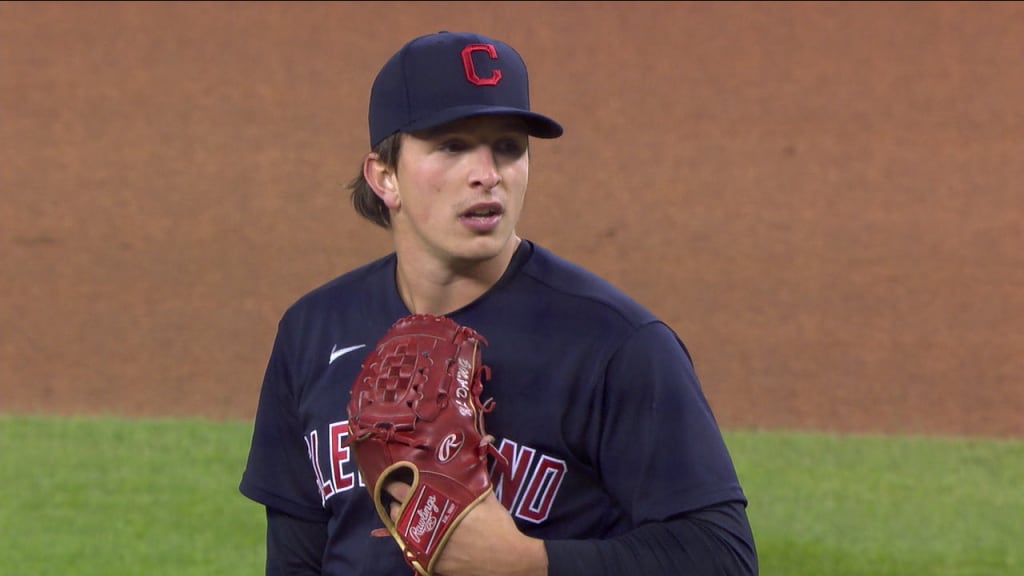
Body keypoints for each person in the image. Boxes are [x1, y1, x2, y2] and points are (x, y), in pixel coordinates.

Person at [239, 30, 758, 576]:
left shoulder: (618, 345)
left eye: (508, 147)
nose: (487, 174)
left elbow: (722, 557)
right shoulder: (313, 331)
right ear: (384, 176)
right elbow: (295, 559)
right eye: (453, 146)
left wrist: (528, 564)